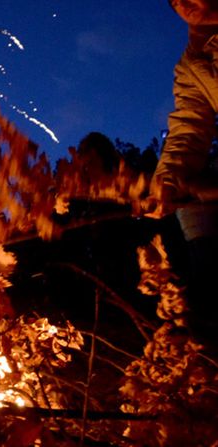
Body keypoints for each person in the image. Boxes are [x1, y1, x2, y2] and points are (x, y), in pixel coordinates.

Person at [154, 0, 218, 351]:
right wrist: (169, 179)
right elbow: (189, 126)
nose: (181, 2)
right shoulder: (193, 61)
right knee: (190, 210)